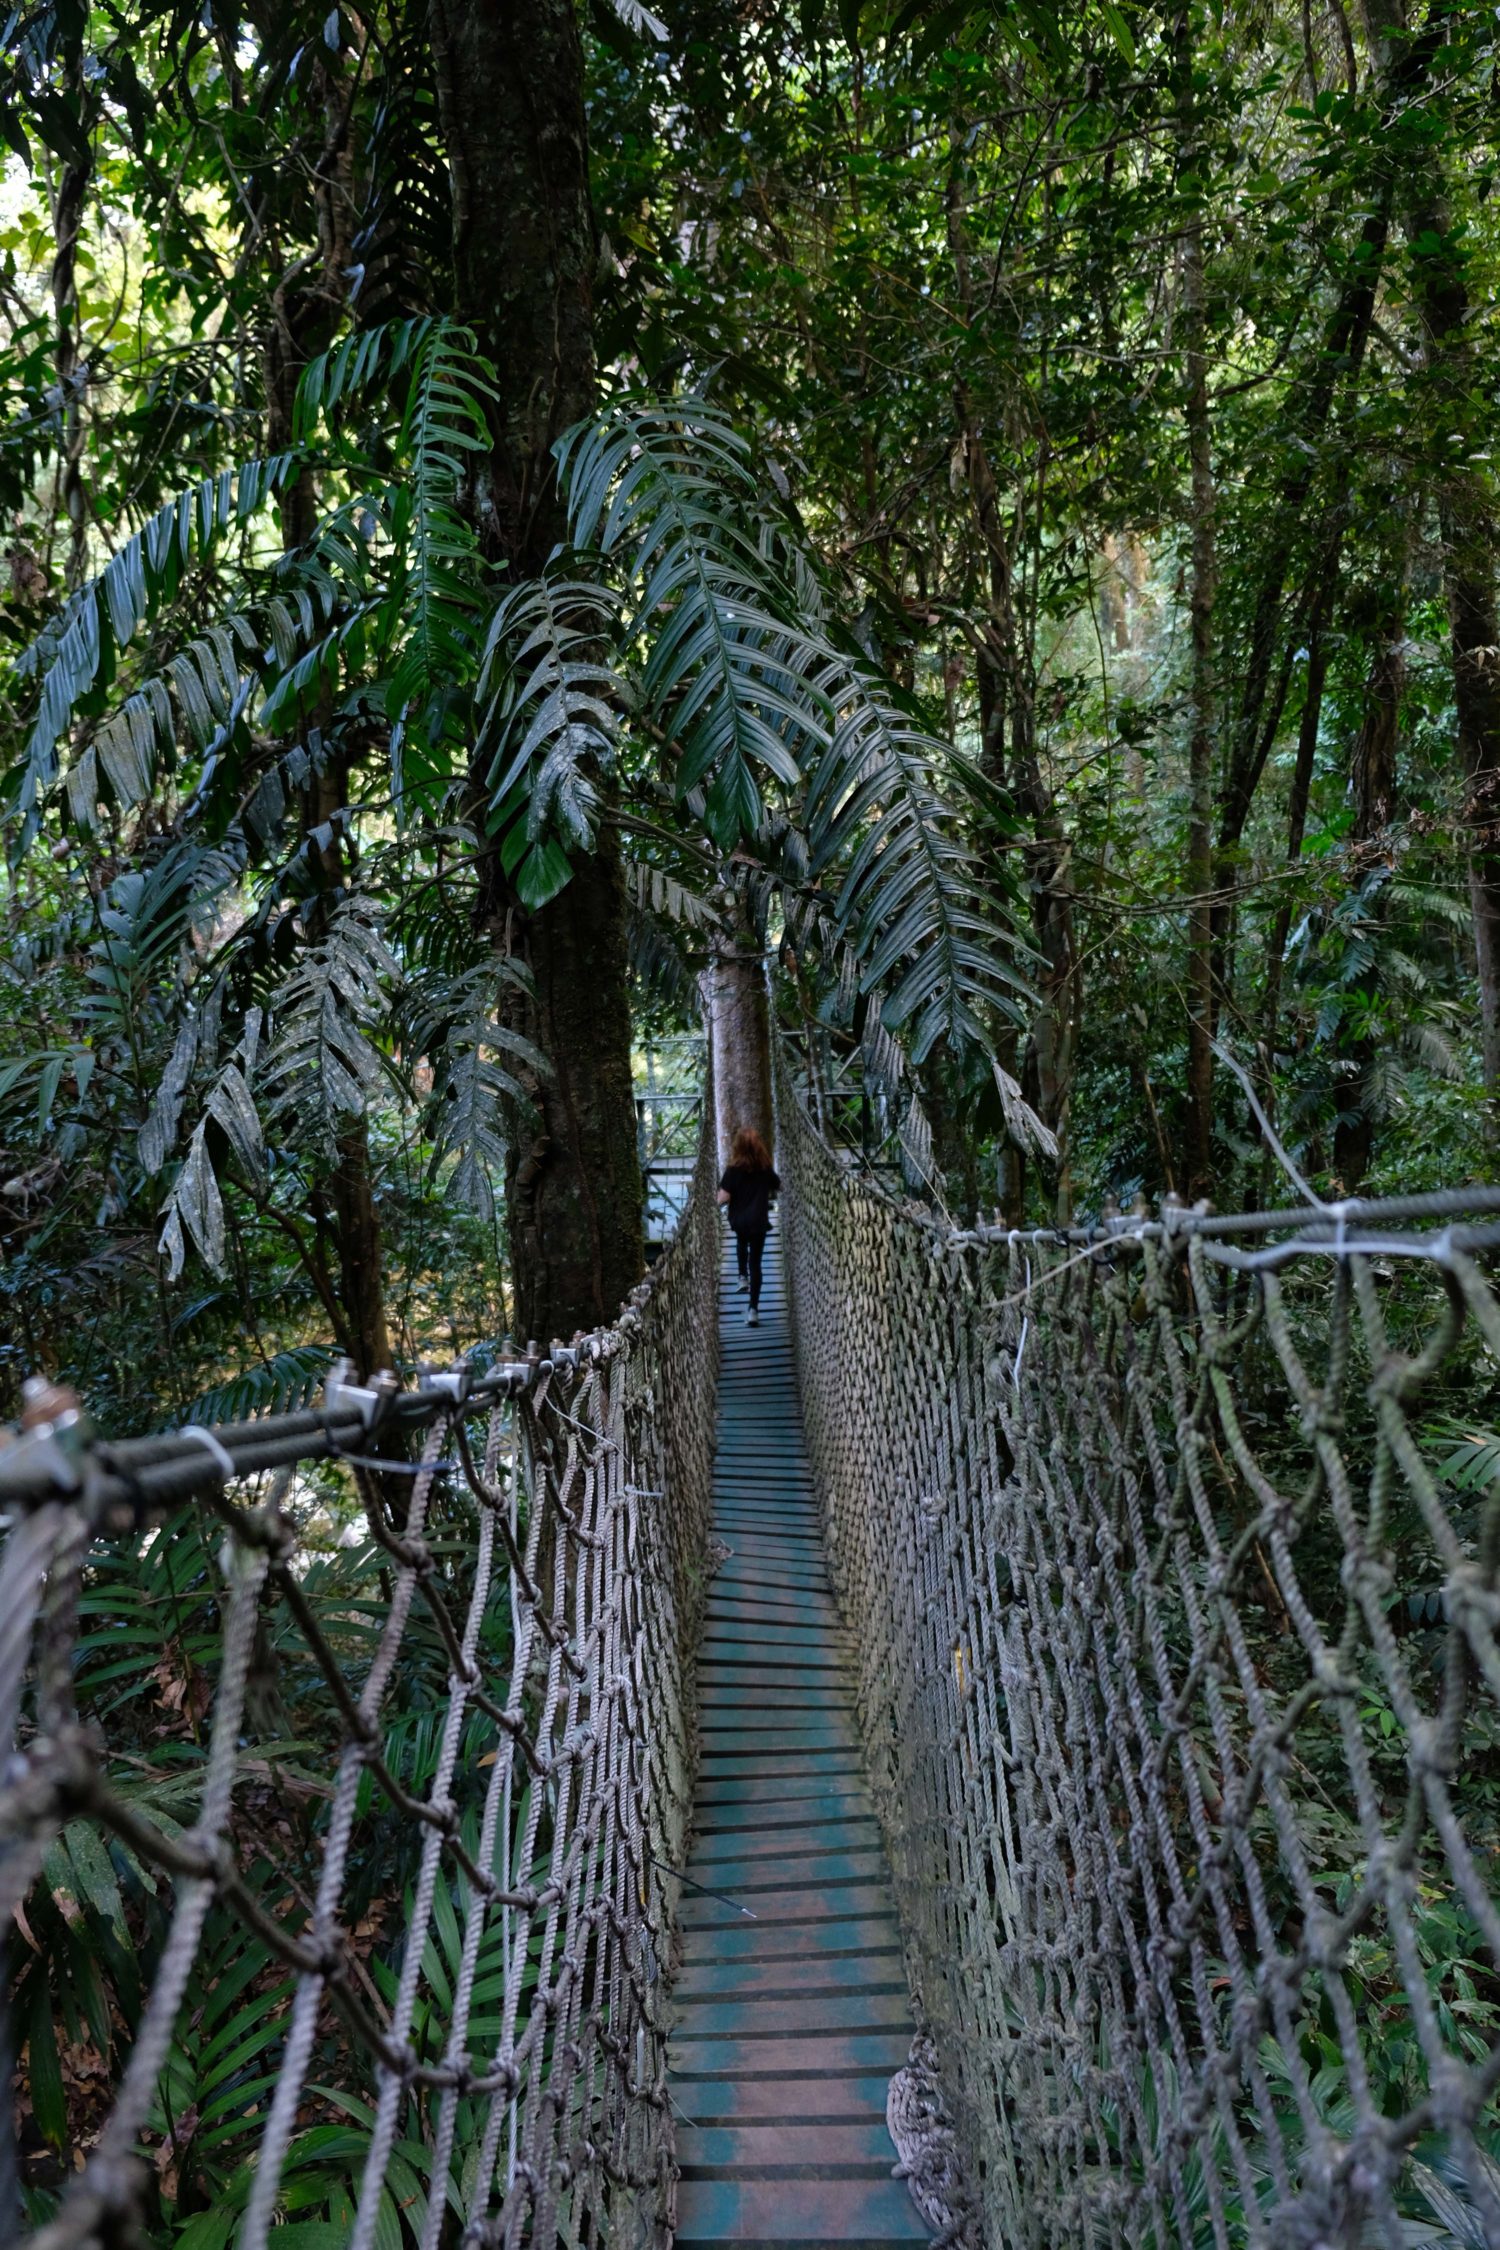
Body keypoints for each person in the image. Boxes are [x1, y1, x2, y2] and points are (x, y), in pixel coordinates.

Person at [716, 1127, 781, 1327]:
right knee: (757, 1264)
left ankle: (741, 1276)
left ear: (738, 1147)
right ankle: (753, 1309)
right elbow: (778, 1185)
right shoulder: (765, 1169)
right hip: (759, 1221)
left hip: (739, 1220)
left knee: (740, 1241)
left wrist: (721, 1197)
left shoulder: (733, 1170)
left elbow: (722, 1199)